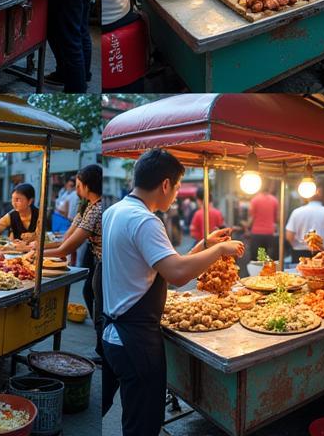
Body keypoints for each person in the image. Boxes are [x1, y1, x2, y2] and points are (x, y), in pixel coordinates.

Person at [102, 150, 244, 435]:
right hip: (136, 341)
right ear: (165, 184)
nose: (178, 195)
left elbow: (165, 265)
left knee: (125, 413)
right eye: (178, 187)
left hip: (113, 334)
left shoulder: (115, 211)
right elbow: (178, 275)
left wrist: (203, 245)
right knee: (143, 425)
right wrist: (219, 250)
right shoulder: (145, 220)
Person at [33, 166, 101, 322]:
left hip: (102, 260)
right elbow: (67, 238)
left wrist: (37, 254)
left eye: (78, 185)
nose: (76, 189)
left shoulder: (96, 210)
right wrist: (39, 248)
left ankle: (100, 342)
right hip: (95, 257)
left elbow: (66, 249)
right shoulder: (87, 205)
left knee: (96, 299)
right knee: (89, 292)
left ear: (87, 186)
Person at [284, 187, 324, 264]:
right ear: (320, 193)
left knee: (298, 275)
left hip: (299, 254)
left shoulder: (296, 212)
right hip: (321, 253)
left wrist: (299, 245)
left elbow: (289, 236)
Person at [243, 183, 279, 264]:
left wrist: (246, 226)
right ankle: (265, 273)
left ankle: (256, 274)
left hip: (257, 234)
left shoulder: (255, 200)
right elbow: (277, 219)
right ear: (269, 188)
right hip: (269, 234)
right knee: (266, 259)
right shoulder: (274, 200)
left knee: (257, 259)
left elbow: (251, 218)